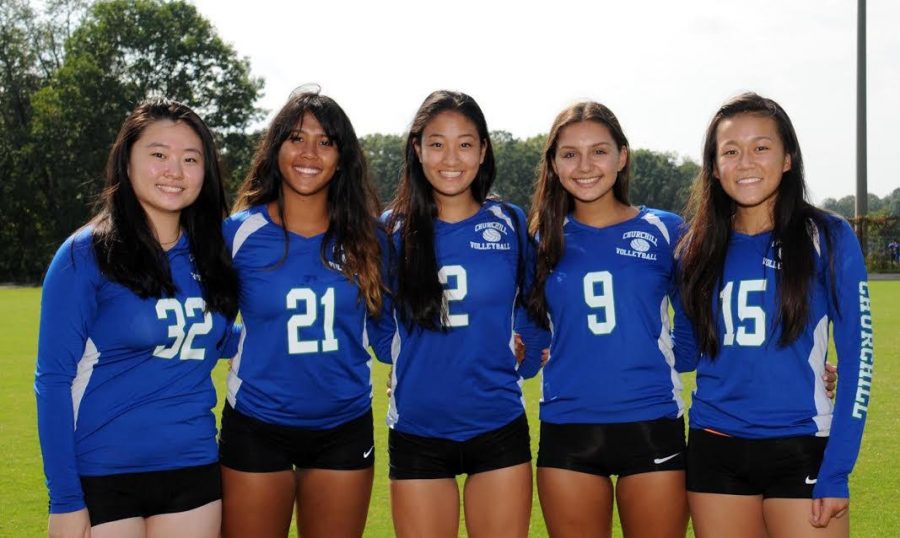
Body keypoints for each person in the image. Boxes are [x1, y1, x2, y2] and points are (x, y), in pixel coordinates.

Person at [35, 98, 239, 538]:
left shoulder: (213, 255)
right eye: (159, 155)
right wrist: (65, 500)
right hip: (103, 474)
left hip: (193, 470)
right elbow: (52, 381)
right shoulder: (85, 255)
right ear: (127, 162)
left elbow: (216, 337)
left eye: (191, 159)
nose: (175, 171)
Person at [677, 92, 872, 537]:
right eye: (730, 151)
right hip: (715, 447)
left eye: (761, 147)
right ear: (714, 165)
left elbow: (859, 361)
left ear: (787, 159)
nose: (745, 162)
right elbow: (684, 350)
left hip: (801, 446)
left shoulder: (828, 235)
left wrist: (837, 470)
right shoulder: (695, 248)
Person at [218, 89, 385, 538]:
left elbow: (390, 328)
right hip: (257, 422)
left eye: (325, 141)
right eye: (296, 138)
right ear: (276, 149)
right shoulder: (238, 234)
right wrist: (239, 343)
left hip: (343, 426)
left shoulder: (371, 238)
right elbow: (205, 321)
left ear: (341, 157)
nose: (310, 152)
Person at [380, 90, 547, 538]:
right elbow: (376, 318)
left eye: (465, 143)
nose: (450, 158)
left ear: (483, 150)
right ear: (417, 150)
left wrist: (526, 361)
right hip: (418, 429)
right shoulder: (390, 230)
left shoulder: (509, 222)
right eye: (436, 143)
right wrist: (399, 359)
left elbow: (534, 306)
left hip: (496, 426)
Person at [526, 101, 692, 538]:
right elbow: (521, 329)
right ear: (554, 164)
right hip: (568, 427)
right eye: (569, 154)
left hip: (652, 421)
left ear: (622, 156)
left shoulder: (666, 230)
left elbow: (700, 318)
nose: (585, 165)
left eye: (599, 151)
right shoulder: (539, 237)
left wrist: (680, 358)